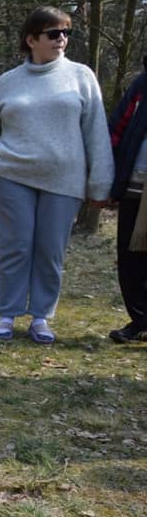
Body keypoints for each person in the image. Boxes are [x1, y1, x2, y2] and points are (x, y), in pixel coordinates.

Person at [0, 6, 113, 344]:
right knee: (15, 246)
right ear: (31, 39)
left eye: (66, 33)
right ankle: (8, 313)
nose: (62, 39)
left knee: (50, 251)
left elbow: (96, 133)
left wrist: (100, 183)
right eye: (53, 33)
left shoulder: (81, 76)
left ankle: (41, 317)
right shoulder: (9, 81)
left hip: (65, 181)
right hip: (12, 174)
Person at [105, 54, 147, 343]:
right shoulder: (141, 85)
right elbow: (115, 130)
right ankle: (141, 321)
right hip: (135, 187)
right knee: (131, 260)